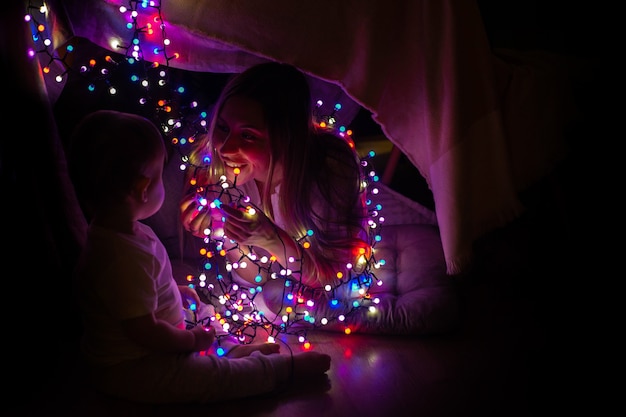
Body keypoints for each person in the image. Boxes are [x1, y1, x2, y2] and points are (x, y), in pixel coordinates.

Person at [67, 109, 331, 404]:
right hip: (134, 366)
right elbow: (144, 331)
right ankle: (282, 369)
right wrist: (192, 341)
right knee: (216, 381)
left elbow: (134, 296)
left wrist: (175, 293)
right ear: (142, 189)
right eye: (158, 177)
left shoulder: (123, 233)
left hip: (158, 340)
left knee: (200, 310)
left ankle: (231, 351)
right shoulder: (118, 257)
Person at [179, 62, 375, 333]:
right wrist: (224, 233)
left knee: (275, 296)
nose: (225, 147)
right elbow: (250, 281)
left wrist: (273, 240)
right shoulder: (215, 163)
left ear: (285, 139)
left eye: (247, 135)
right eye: (222, 128)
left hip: (328, 290)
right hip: (263, 295)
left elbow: (336, 279)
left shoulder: (330, 166)